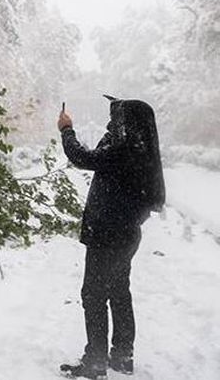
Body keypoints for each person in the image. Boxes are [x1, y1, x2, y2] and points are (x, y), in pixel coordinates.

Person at [57, 96, 165, 379]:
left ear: (127, 123)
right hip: (125, 234)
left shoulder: (123, 149)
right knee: (118, 292)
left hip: (108, 235)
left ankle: (95, 362)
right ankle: (121, 356)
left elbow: (82, 158)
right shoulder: (139, 148)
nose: (111, 123)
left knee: (93, 295)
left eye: (116, 118)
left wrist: (67, 130)